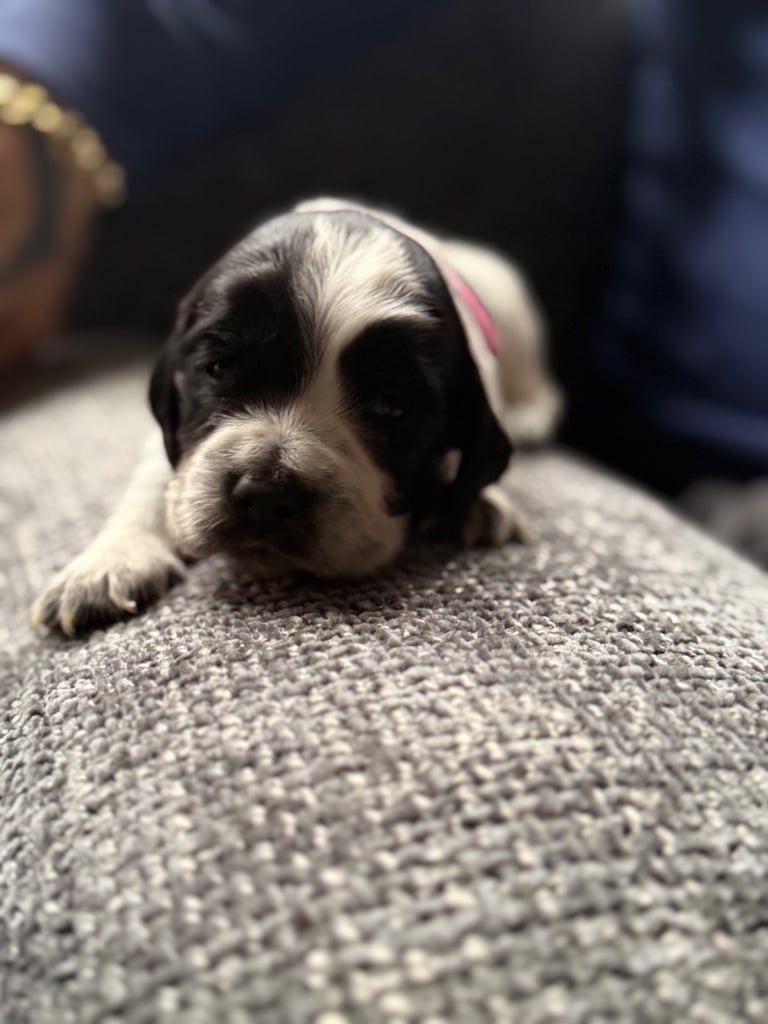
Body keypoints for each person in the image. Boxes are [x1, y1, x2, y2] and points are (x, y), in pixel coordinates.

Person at [1, 0, 766, 561]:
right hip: (698, 462)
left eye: (392, 404)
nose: (270, 479)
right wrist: (26, 99)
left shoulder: (477, 379)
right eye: (219, 368)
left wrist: (473, 484)